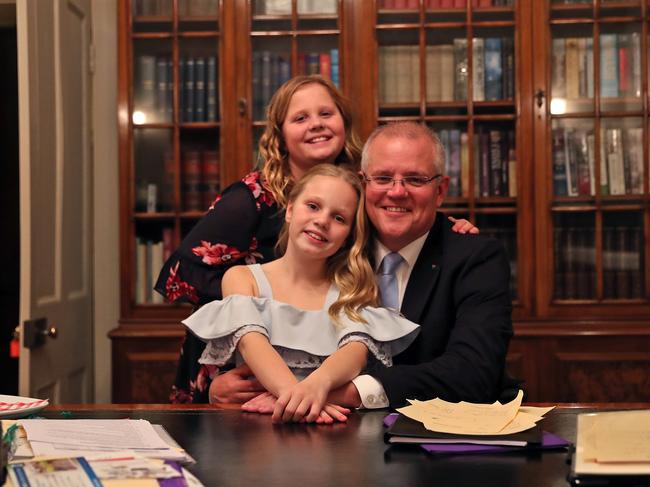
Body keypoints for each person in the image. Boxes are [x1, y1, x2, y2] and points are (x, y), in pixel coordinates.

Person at [155, 75, 476, 404]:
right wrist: (265, 302)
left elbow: (400, 209)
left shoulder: (357, 186)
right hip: (239, 361)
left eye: (326, 114)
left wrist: (444, 229)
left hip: (321, 359)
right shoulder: (251, 197)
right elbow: (183, 273)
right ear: (280, 133)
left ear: (343, 121)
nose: (316, 125)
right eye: (300, 118)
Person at [239, 121, 515, 417]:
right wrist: (226, 388)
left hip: (441, 438)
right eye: (383, 177)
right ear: (364, 183)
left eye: (415, 179)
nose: (396, 192)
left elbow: (473, 373)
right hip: (332, 436)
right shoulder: (331, 246)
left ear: (440, 190)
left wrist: (326, 393)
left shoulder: (476, 258)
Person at [182, 165, 419, 423]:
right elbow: (252, 343)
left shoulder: (353, 289)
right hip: (259, 427)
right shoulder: (243, 278)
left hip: (330, 431)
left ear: (349, 236)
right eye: (313, 206)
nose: (322, 221)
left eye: (339, 218)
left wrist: (313, 390)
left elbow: (354, 352)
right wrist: (298, 398)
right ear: (291, 210)